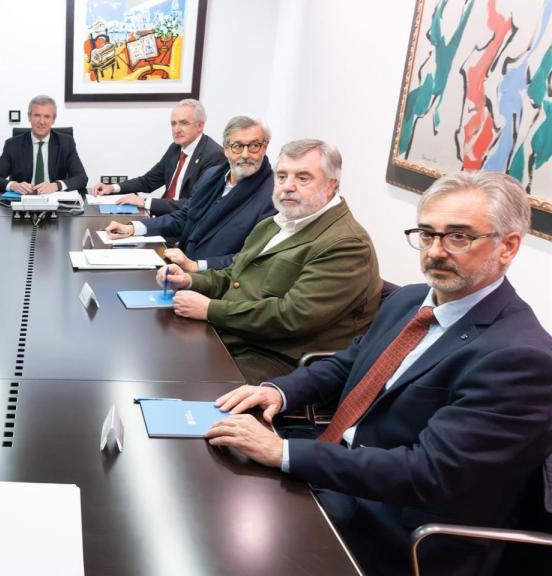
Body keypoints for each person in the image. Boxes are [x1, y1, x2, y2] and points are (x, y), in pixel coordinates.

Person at [205, 171, 552, 576]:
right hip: (335, 467)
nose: (435, 251)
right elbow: (349, 361)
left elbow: (426, 473)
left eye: (458, 237)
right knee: (210, 494)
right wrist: (278, 392)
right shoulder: (409, 301)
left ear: (508, 246)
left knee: (230, 551)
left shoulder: (520, 357)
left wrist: (284, 453)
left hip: (392, 523)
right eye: (427, 234)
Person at [157, 139, 382, 383]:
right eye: (282, 176)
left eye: (303, 178)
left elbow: (292, 316)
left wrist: (210, 309)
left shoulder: (347, 244)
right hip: (236, 335)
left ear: (331, 186)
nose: (288, 186)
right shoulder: (274, 225)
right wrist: (190, 280)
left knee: (179, 383)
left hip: (278, 360)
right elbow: (234, 276)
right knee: (157, 354)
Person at [104, 115, 276, 270]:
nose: (246, 154)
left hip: (214, 281)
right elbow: (184, 217)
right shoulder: (212, 176)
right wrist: (132, 228)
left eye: (254, 145)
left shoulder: (272, 195)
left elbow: (253, 258)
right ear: (226, 149)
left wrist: (195, 266)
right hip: (181, 263)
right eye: (237, 146)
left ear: (265, 147)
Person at [92, 99, 226, 216]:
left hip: (184, 225)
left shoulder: (214, 156)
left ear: (200, 125)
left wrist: (145, 202)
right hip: (164, 217)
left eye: (184, 123)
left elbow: (194, 204)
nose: (177, 129)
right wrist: (112, 188)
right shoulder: (175, 148)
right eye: (173, 123)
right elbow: (148, 181)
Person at [0, 94, 88, 194]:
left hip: (55, 203)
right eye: (37, 115)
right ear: (29, 116)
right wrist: (13, 185)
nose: (42, 121)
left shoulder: (66, 143)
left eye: (47, 116)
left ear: (53, 119)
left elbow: (81, 178)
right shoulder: (13, 145)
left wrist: (56, 186)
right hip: (23, 204)